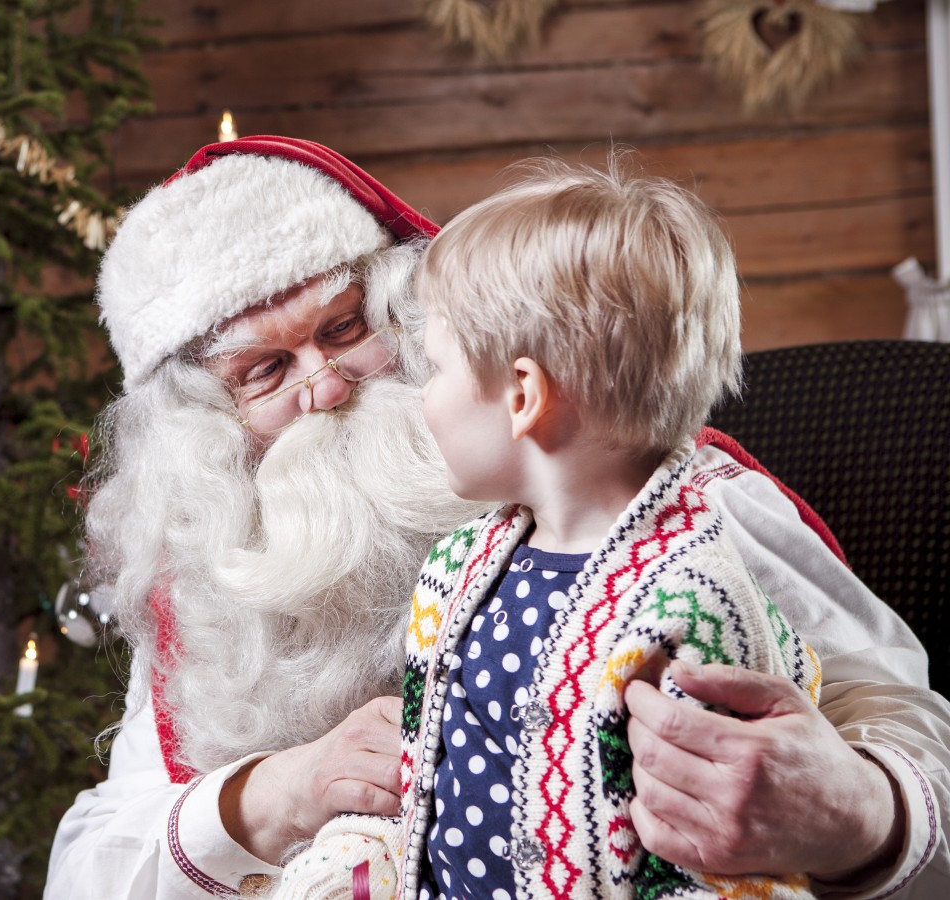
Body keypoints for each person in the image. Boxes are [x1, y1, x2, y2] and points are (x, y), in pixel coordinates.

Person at [45, 136, 950, 899]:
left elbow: (909, 720)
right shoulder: (213, 587)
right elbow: (85, 871)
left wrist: (860, 814)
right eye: (265, 373)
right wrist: (273, 796)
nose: (324, 387)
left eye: (344, 328)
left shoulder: (676, 507)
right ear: (203, 433)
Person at [274, 157, 822, 900]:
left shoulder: (692, 604)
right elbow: (427, 781)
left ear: (524, 395)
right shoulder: (456, 568)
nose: (421, 396)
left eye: (435, 369)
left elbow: (730, 870)